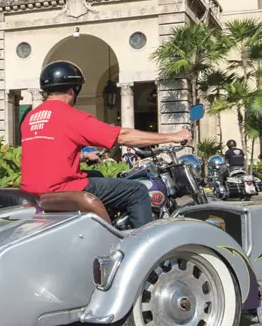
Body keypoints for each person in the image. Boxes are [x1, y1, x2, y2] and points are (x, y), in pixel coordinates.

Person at [20, 61, 191, 229]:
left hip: (32, 191)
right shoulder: (70, 116)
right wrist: (172, 136)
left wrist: (84, 156)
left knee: (96, 174)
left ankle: (107, 227)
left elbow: (47, 151)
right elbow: (122, 136)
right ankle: (142, 243)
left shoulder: (30, 117)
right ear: (73, 90)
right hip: (61, 189)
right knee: (137, 191)